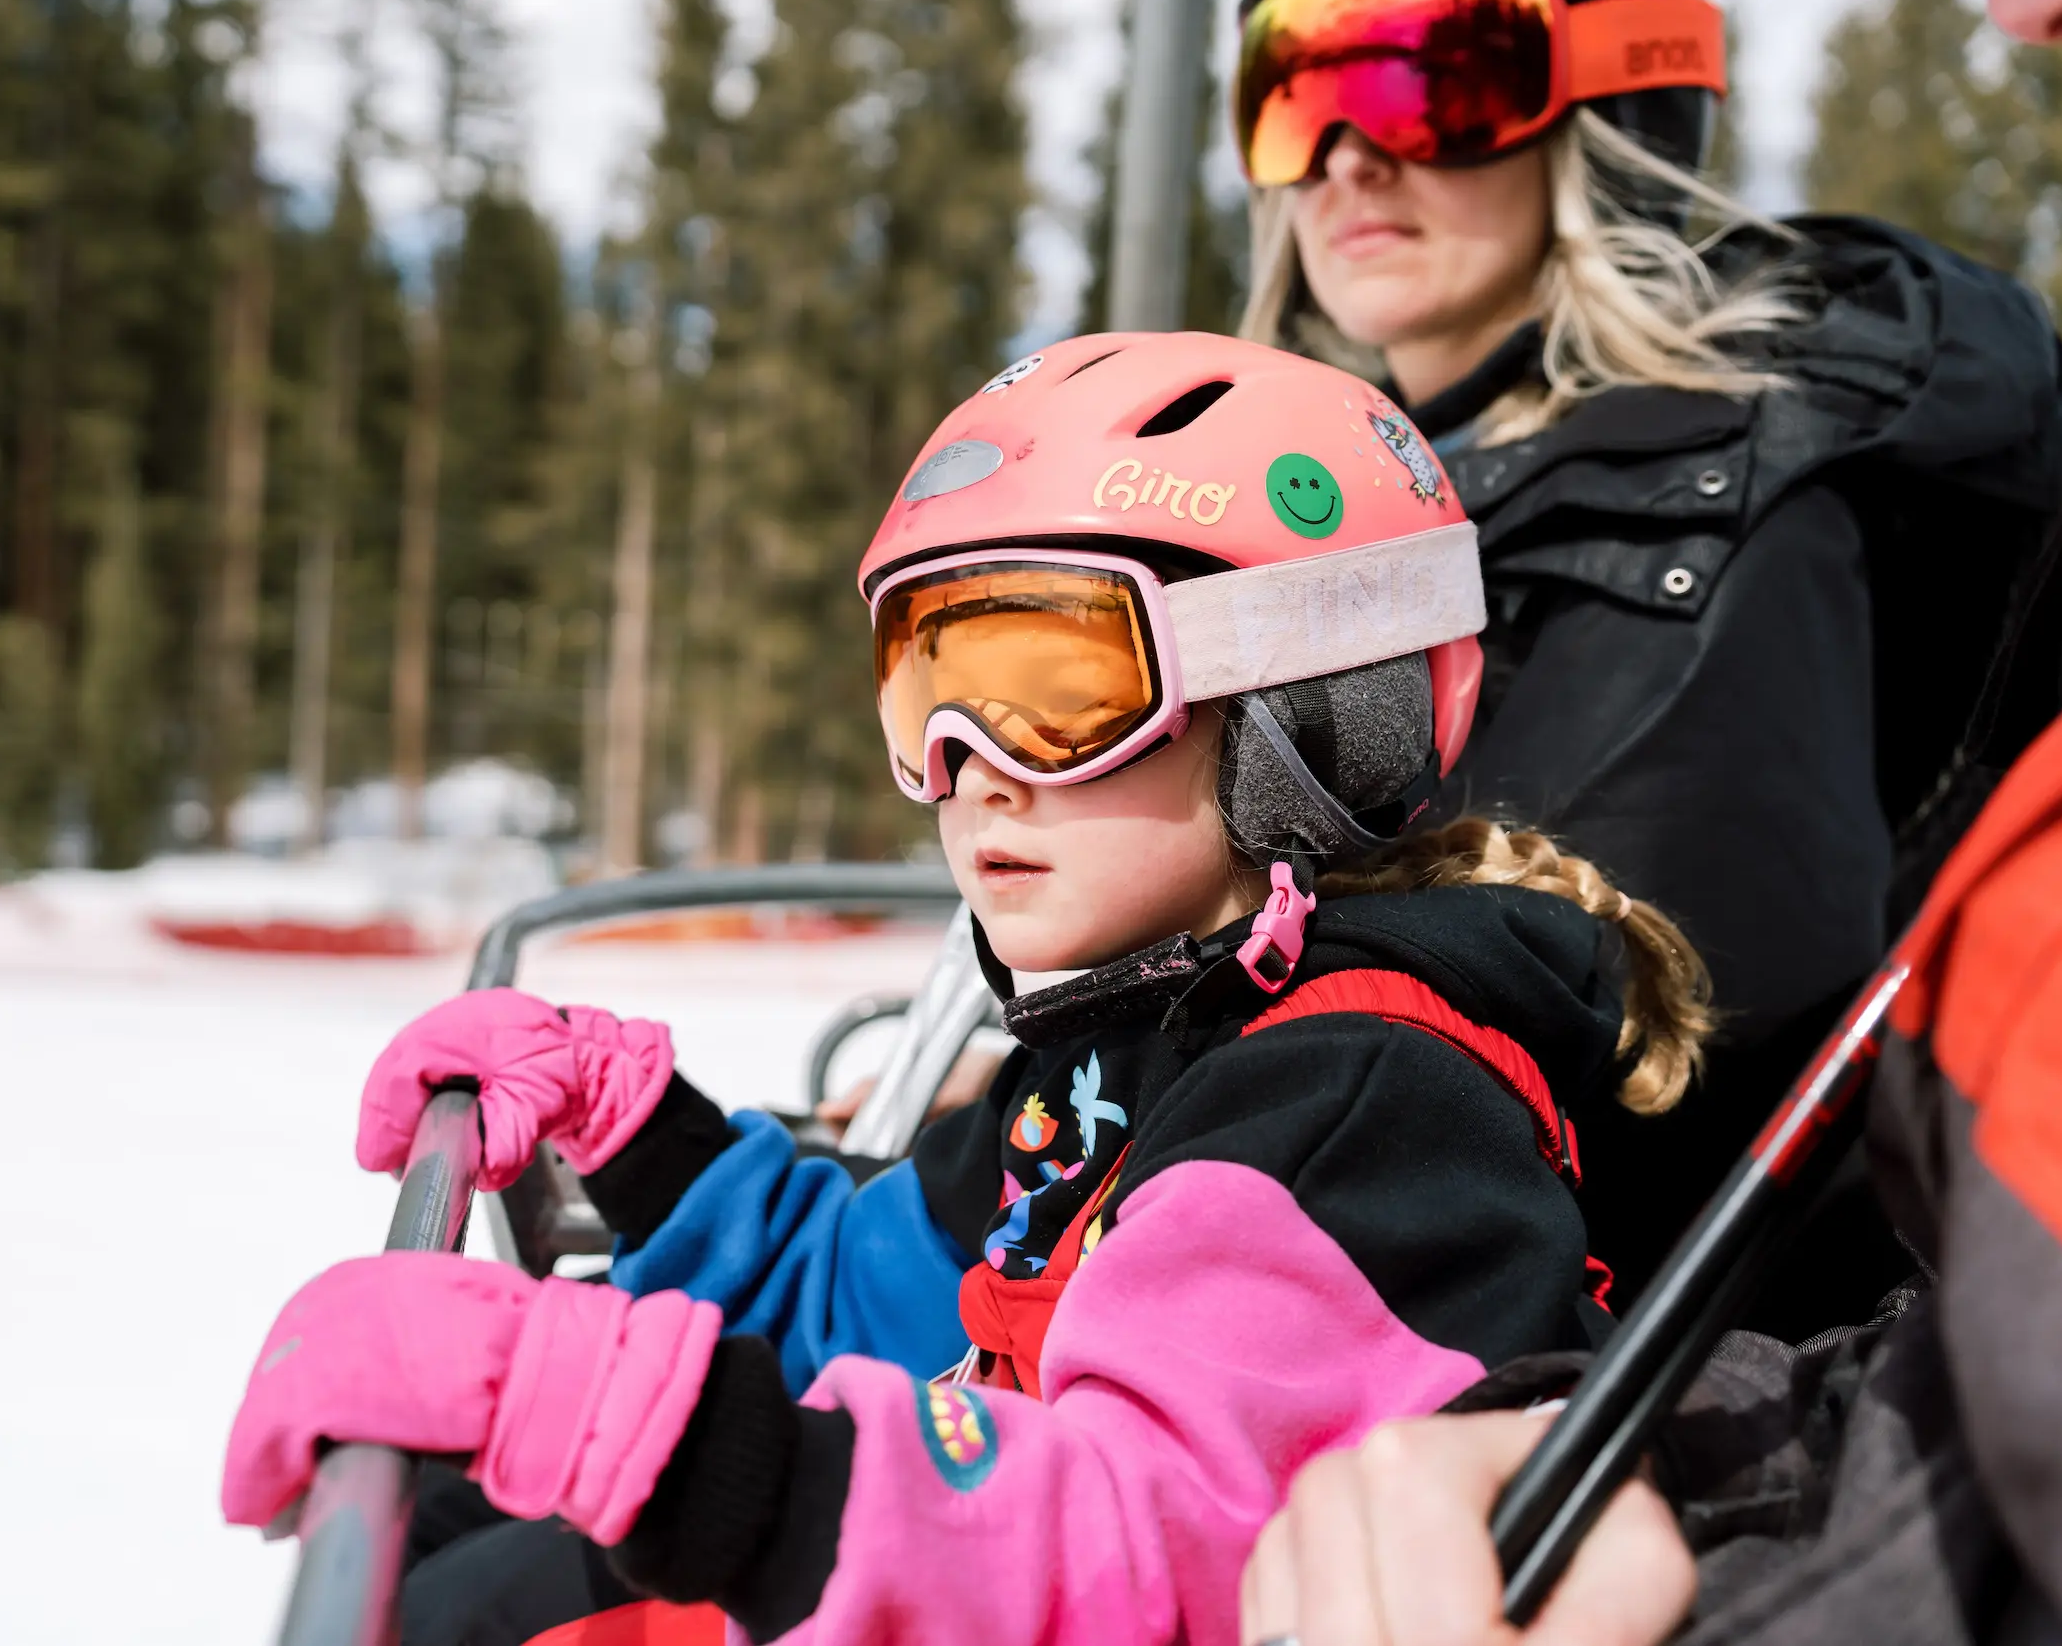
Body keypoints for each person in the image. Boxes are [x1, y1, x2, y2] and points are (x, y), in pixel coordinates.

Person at [218, 335, 1716, 1646]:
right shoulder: (1130, 1043)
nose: (968, 769)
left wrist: (652, 1436)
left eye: (1053, 687)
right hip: (966, 1564)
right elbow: (879, 1288)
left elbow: (1153, 1557)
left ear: (1311, 714)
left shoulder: (1356, 1106)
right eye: (925, 687)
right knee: (451, 1532)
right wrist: (634, 1127)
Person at [1235, 0, 2062, 1641]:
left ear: (1609, 108)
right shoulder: (1414, 497)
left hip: (1579, 1417)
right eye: (1292, 89)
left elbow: (1657, 1065)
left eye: (1429, 79)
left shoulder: (1703, 495)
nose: (1346, 154)